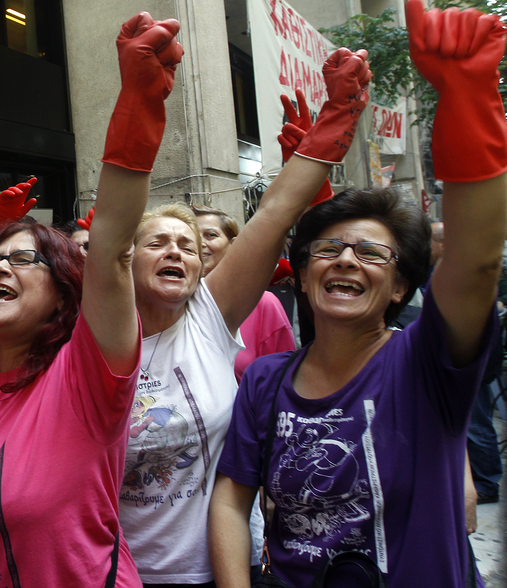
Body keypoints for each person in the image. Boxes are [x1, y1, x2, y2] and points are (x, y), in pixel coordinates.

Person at [209, 4, 506, 586]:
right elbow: (229, 501)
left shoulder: (425, 364)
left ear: (401, 286)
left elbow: (474, 264)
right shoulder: (265, 381)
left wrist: (468, 97)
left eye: (371, 253)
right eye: (328, 249)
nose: (346, 259)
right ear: (298, 273)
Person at [0, 12, 183, 586]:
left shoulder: (86, 380)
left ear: (63, 298)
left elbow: (112, 254)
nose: (0, 265)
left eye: (24, 258)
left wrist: (137, 106)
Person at [119, 48, 372, 587]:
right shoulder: (95, 336)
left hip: (216, 570)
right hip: (114, 571)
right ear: (126, 259)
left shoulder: (209, 316)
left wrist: (336, 119)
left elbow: (276, 212)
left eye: (188, 246)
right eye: (157, 243)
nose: (177, 253)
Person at [190, 205, 295, 382]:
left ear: (233, 245)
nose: (200, 243)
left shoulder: (263, 305)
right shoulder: (168, 303)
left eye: (211, 235)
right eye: (191, 236)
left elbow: (283, 381)